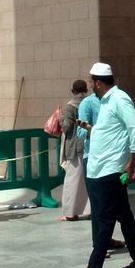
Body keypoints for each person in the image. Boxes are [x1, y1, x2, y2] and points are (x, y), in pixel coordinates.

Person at [65, 62, 135, 268]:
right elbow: (113, 131)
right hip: (100, 168)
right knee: (125, 217)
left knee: (103, 219)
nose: (91, 85)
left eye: (93, 82)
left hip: (110, 170)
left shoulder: (120, 99)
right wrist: (93, 130)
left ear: (98, 83)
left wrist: (131, 165)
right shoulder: (106, 101)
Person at [77, 86, 125, 256]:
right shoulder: (87, 103)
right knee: (98, 204)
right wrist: (97, 133)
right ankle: (99, 243)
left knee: (117, 204)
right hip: (94, 157)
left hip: (114, 158)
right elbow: (80, 131)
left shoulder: (116, 100)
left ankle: (107, 239)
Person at [58, 79, 90, 221]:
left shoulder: (70, 106)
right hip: (90, 145)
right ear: (86, 90)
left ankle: (70, 213)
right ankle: (91, 211)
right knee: (89, 181)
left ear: (72, 91)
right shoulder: (92, 103)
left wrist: (60, 118)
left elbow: (67, 128)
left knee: (72, 180)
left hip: (74, 147)